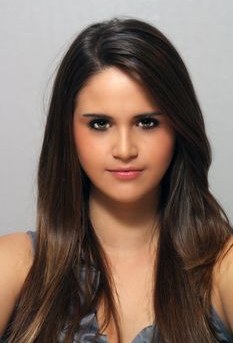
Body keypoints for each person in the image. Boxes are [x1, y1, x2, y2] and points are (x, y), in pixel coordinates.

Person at [0, 17, 232, 343]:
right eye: (99, 124)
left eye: (147, 122)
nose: (124, 150)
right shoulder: (13, 265)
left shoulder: (223, 267)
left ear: (179, 128)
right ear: (67, 132)